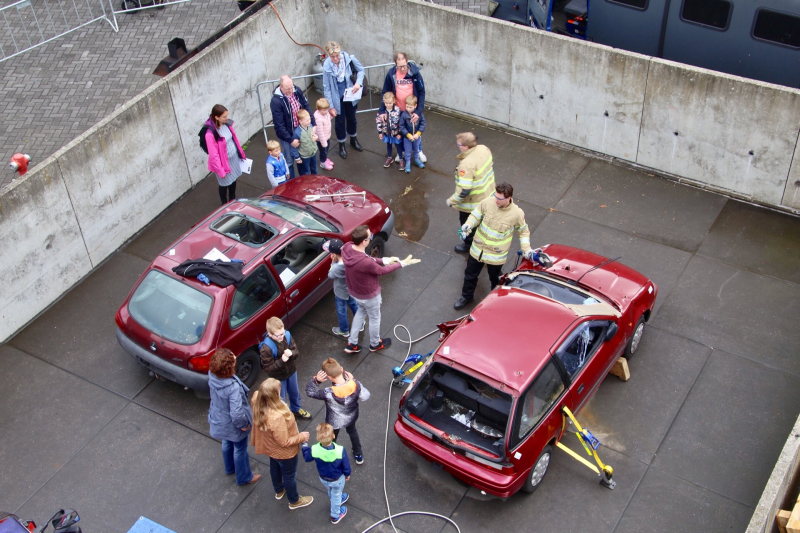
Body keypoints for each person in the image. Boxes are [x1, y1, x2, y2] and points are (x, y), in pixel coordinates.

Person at [341, 225, 420, 353]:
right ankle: (375, 344)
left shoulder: (348, 247)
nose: (371, 237)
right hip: (369, 296)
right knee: (374, 318)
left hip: (355, 293)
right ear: (364, 242)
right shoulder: (365, 262)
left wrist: (384, 259)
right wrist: (401, 263)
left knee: (360, 313)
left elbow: (369, 260)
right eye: (369, 236)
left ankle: (352, 343)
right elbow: (380, 271)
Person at [454, 182, 533, 310]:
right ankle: (466, 296)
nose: (496, 200)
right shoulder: (488, 202)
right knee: (470, 275)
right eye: (495, 196)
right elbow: (475, 215)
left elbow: (523, 231)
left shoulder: (516, 213)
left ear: (508, 198)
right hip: (477, 249)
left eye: (499, 199)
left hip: (496, 256)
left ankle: (496, 301)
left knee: (495, 279)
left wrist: (526, 249)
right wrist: (468, 225)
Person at [250, 378, 314, 510]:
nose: (280, 391)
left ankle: (279, 490)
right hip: (285, 453)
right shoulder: (277, 417)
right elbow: (284, 442)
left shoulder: (257, 398)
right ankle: (294, 500)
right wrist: (301, 437)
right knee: (289, 476)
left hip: (270, 448)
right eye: (278, 390)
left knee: (274, 467)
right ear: (274, 395)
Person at [207, 348, 261, 486]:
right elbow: (237, 413)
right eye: (233, 359)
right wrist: (245, 425)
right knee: (240, 449)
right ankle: (244, 477)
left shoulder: (212, 376)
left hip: (219, 419)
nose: (236, 358)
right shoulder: (233, 388)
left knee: (226, 442)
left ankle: (229, 468)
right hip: (232, 424)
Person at [305, 358, 370, 466]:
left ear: (329, 377)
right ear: (341, 369)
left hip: (334, 421)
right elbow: (366, 396)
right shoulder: (355, 385)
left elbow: (310, 392)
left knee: (331, 437)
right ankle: (358, 455)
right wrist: (353, 380)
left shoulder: (328, 393)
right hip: (351, 417)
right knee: (352, 432)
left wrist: (316, 381)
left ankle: (330, 453)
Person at [447, 132, 496, 254]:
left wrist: (451, 201)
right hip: (488, 194)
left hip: (472, 203)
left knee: (468, 225)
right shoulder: (484, 149)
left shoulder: (466, 164)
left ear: (465, 147)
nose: (457, 146)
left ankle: (469, 244)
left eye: (458, 144)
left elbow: (464, 190)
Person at [259, 317, 313, 420]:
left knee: (295, 393)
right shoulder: (266, 348)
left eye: (282, 333)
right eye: (278, 335)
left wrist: (292, 353)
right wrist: (281, 361)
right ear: (270, 334)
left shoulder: (286, 336)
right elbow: (268, 369)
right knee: (280, 398)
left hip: (291, 371)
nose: (281, 337)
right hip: (278, 378)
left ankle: (296, 409)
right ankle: (283, 417)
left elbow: (296, 351)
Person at [301, 423, 352, 524]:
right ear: (333, 436)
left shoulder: (314, 449)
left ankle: (334, 498)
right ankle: (335, 515)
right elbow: (346, 465)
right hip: (337, 479)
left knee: (330, 489)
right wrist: (347, 474)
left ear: (318, 438)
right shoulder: (340, 450)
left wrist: (304, 445)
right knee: (336, 494)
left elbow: (307, 457)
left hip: (323, 478)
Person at [322, 41, 364, 160]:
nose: (335, 59)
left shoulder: (349, 58)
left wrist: (358, 83)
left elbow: (361, 70)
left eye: (337, 55)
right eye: (332, 56)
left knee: (352, 118)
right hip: (337, 99)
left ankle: (353, 139)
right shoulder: (327, 67)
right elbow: (327, 87)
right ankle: (341, 144)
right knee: (340, 122)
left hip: (350, 95)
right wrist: (330, 106)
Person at [382, 52, 427, 164]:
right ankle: (401, 152)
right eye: (399, 66)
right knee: (401, 131)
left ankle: (419, 151)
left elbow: (421, 92)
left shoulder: (415, 73)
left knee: (415, 130)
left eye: (404, 65)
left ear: (407, 62)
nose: (402, 68)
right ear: (395, 64)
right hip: (398, 110)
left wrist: (418, 111)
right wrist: (382, 110)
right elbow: (385, 91)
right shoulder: (391, 74)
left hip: (413, 109)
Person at [270, 75, 315, 180]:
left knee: (301, 157)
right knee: (289, 161)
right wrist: (290, 140)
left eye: (291, 87)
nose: (291, 90)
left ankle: (303, 180)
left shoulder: (296, 90)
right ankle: (292, 183)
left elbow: (306, 106)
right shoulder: (276, 102)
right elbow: (279, 125)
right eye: (287, 89)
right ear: (281, 87)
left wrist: (313, 124)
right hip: (287, 135)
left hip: (300, 130)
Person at [204, 104, 246, 205]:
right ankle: (224, 204)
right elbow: (214, 155)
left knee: (233, 179)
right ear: (216, 117)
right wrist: (220, 171)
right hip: (223, 163)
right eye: (224, 116)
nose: (227, 118)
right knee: (224, 184)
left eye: (227, 115)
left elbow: (234, 139)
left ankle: (232, 198)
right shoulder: (210, 133)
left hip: (233, 159)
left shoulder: (226, 124)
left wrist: (241, 154)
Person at [325, 239, 362, 338]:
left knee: (341, 311)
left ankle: (344, 330)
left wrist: (333, 262)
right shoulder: (350, 258)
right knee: (354, 305)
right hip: (351, 289)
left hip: (341, 292)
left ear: (334, 254)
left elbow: (330, 275)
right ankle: (361, 324)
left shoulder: (337, 267)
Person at [376, 92, 403, 169]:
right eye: (386, 103)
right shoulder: (381, 112)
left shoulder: (398, 111)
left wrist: (400, 133)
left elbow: (401, 123)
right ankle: (390, 157)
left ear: (394, 101)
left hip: (396, 133)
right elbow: (378, 121)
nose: (388, 105)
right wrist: (380, 132)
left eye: (390, 103)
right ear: (383, 101)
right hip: (387, 133)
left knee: (398, 146)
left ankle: (401, 159)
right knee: (388, 145)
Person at [399, 95, 426, 173]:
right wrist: (408, 135)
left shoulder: (419, 114)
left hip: (417, 136)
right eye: (407, 106)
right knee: (407, 151)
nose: (408, 109)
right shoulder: (404, 115)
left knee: (416, 149)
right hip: (407, 137)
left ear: (415, 106)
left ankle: (417, 159)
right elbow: (401, 126)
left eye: (410, 107)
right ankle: (408, 162)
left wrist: (418, 134)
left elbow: (423, 124)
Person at [290, 109, 318, 176]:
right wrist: (297, 157)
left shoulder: (310, 126)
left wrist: (316, 137)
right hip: (304, 156)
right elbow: (294, 146)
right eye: (307, 120)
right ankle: (307, 184)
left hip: (313, 153)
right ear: (300, 121)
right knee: (306, 171)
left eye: (309, 119)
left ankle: (315, 180)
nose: (309, 122)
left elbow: (314, 134)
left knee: (314, 168)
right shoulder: (297, 133)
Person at [314, 98, 334, 171]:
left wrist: (332, 116)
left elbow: (327, 120)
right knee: (323, 151)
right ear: (318, 109)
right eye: (324, 110)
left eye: (327, 109)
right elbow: (320, 132)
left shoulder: (326, 114)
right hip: (322, 139)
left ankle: (325, 159)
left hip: (327, 136)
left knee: (326, 149)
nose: (326, 111)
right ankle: (323, 162)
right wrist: (324, 143)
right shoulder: (318, 119)